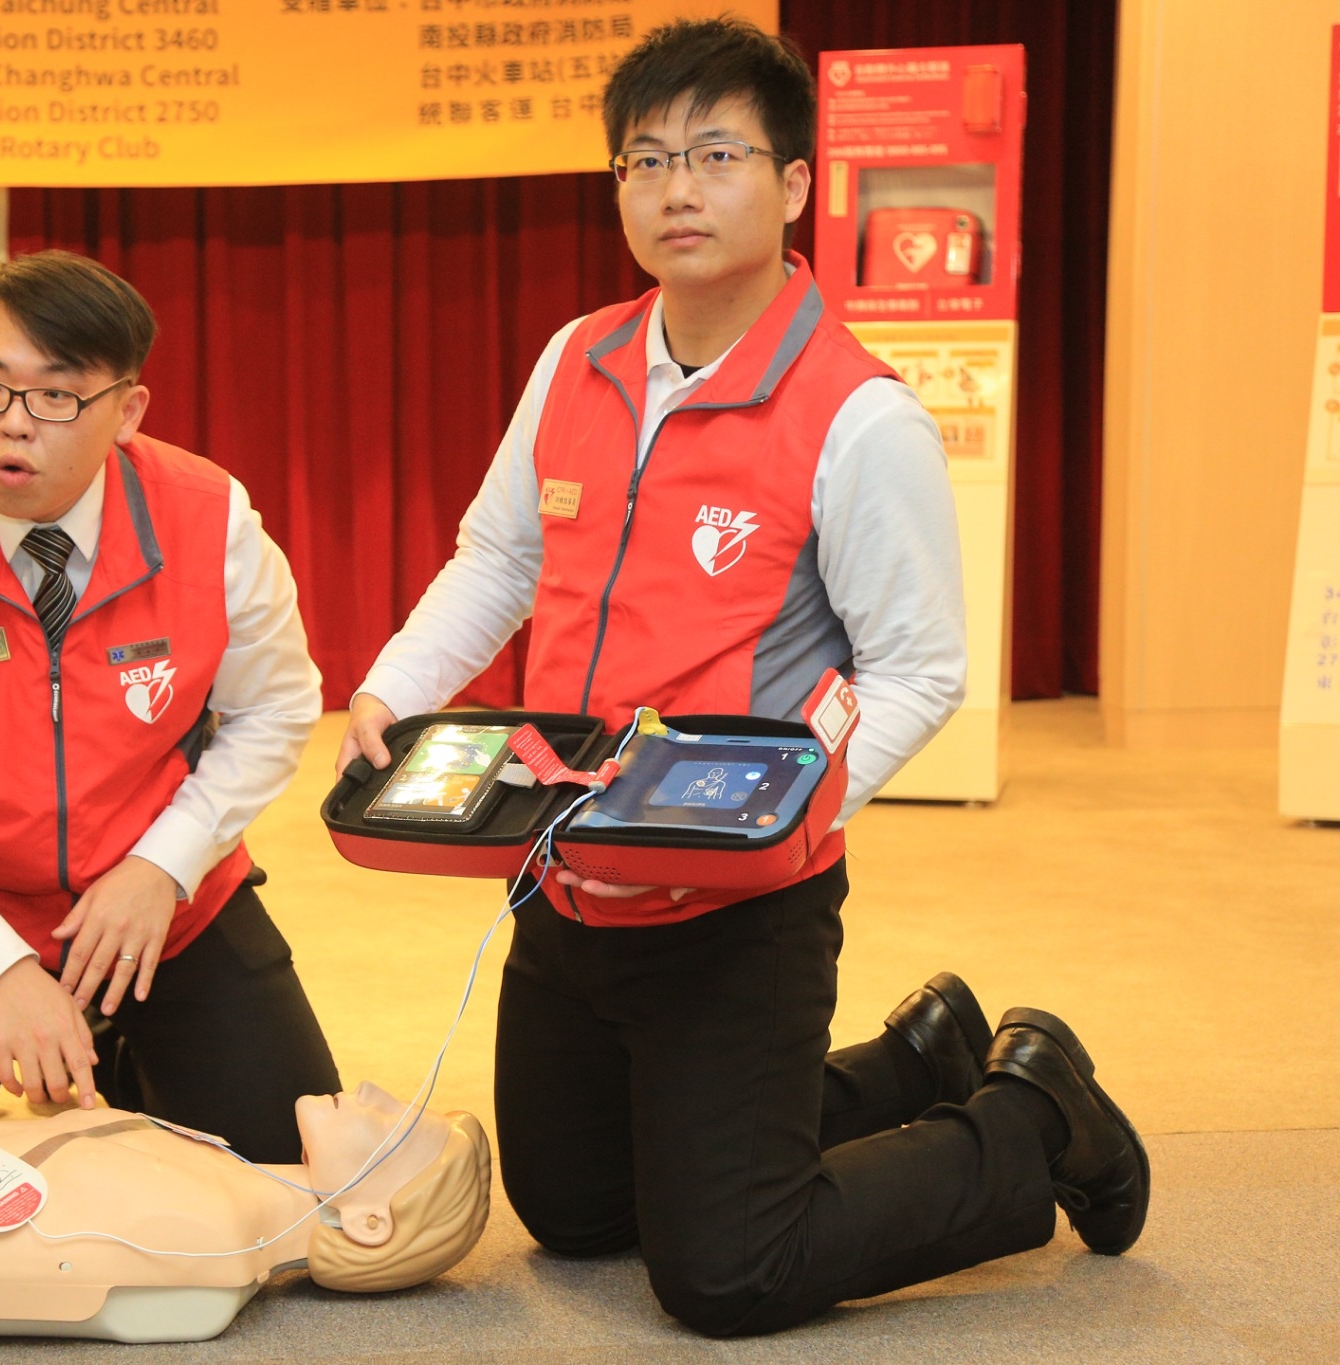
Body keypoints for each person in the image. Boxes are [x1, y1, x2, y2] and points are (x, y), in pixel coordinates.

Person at [336, 17, 1148, 1337]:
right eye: (646, 159)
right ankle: (912, 1064)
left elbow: (918, 668)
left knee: (725, 1273)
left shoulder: (858, 414)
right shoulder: (574, 360)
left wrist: (780, 821)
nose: (677, 189)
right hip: (566, 879)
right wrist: (392, 686)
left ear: (796, 185)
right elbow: (498, 559)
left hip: (736, 908)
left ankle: (1031, 1118)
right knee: (578, 1213)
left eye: (716, 155)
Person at [0, 250, 341, 1227]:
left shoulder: (210, 518)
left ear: (127, 411)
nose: (11, 422)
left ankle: (120, 1046)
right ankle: (66, 1022)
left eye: (55, 396)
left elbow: (277, 708)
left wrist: (162, 867)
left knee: (284, 1161)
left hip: (162, 905)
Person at [0, 1081, 491, 1343]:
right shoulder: (225, 1186)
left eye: (395, 1121)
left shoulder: (218, 1234)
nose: (375, 1090)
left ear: (368, 1222)